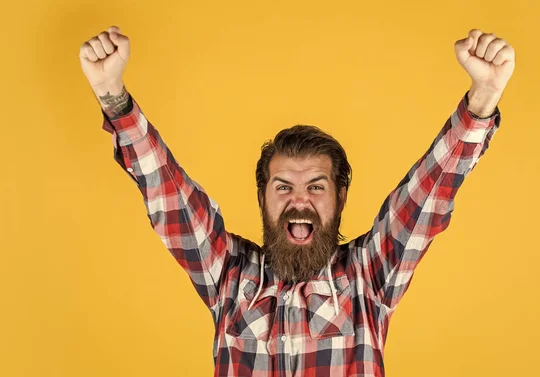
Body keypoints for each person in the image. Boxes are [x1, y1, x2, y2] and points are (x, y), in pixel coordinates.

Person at [80, 26, 515, 377]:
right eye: (284, 187)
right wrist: (114, 96)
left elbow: (428, 192)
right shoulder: (227, 277)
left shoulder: (368, 278)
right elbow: (169, 195)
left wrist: (481, 101)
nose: (299, 201)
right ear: (263, 197)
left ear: (340, 196)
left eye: (317, 187)